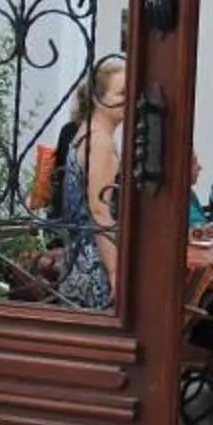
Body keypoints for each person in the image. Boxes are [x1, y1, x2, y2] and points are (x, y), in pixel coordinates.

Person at [51, 57, 129, 310]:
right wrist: (116, 270)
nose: (128, 99)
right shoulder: (100, 142)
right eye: (121, 92)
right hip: (93, 262)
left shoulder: (85, 132)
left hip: (76, 256)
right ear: (98, 97)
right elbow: (99, 210)